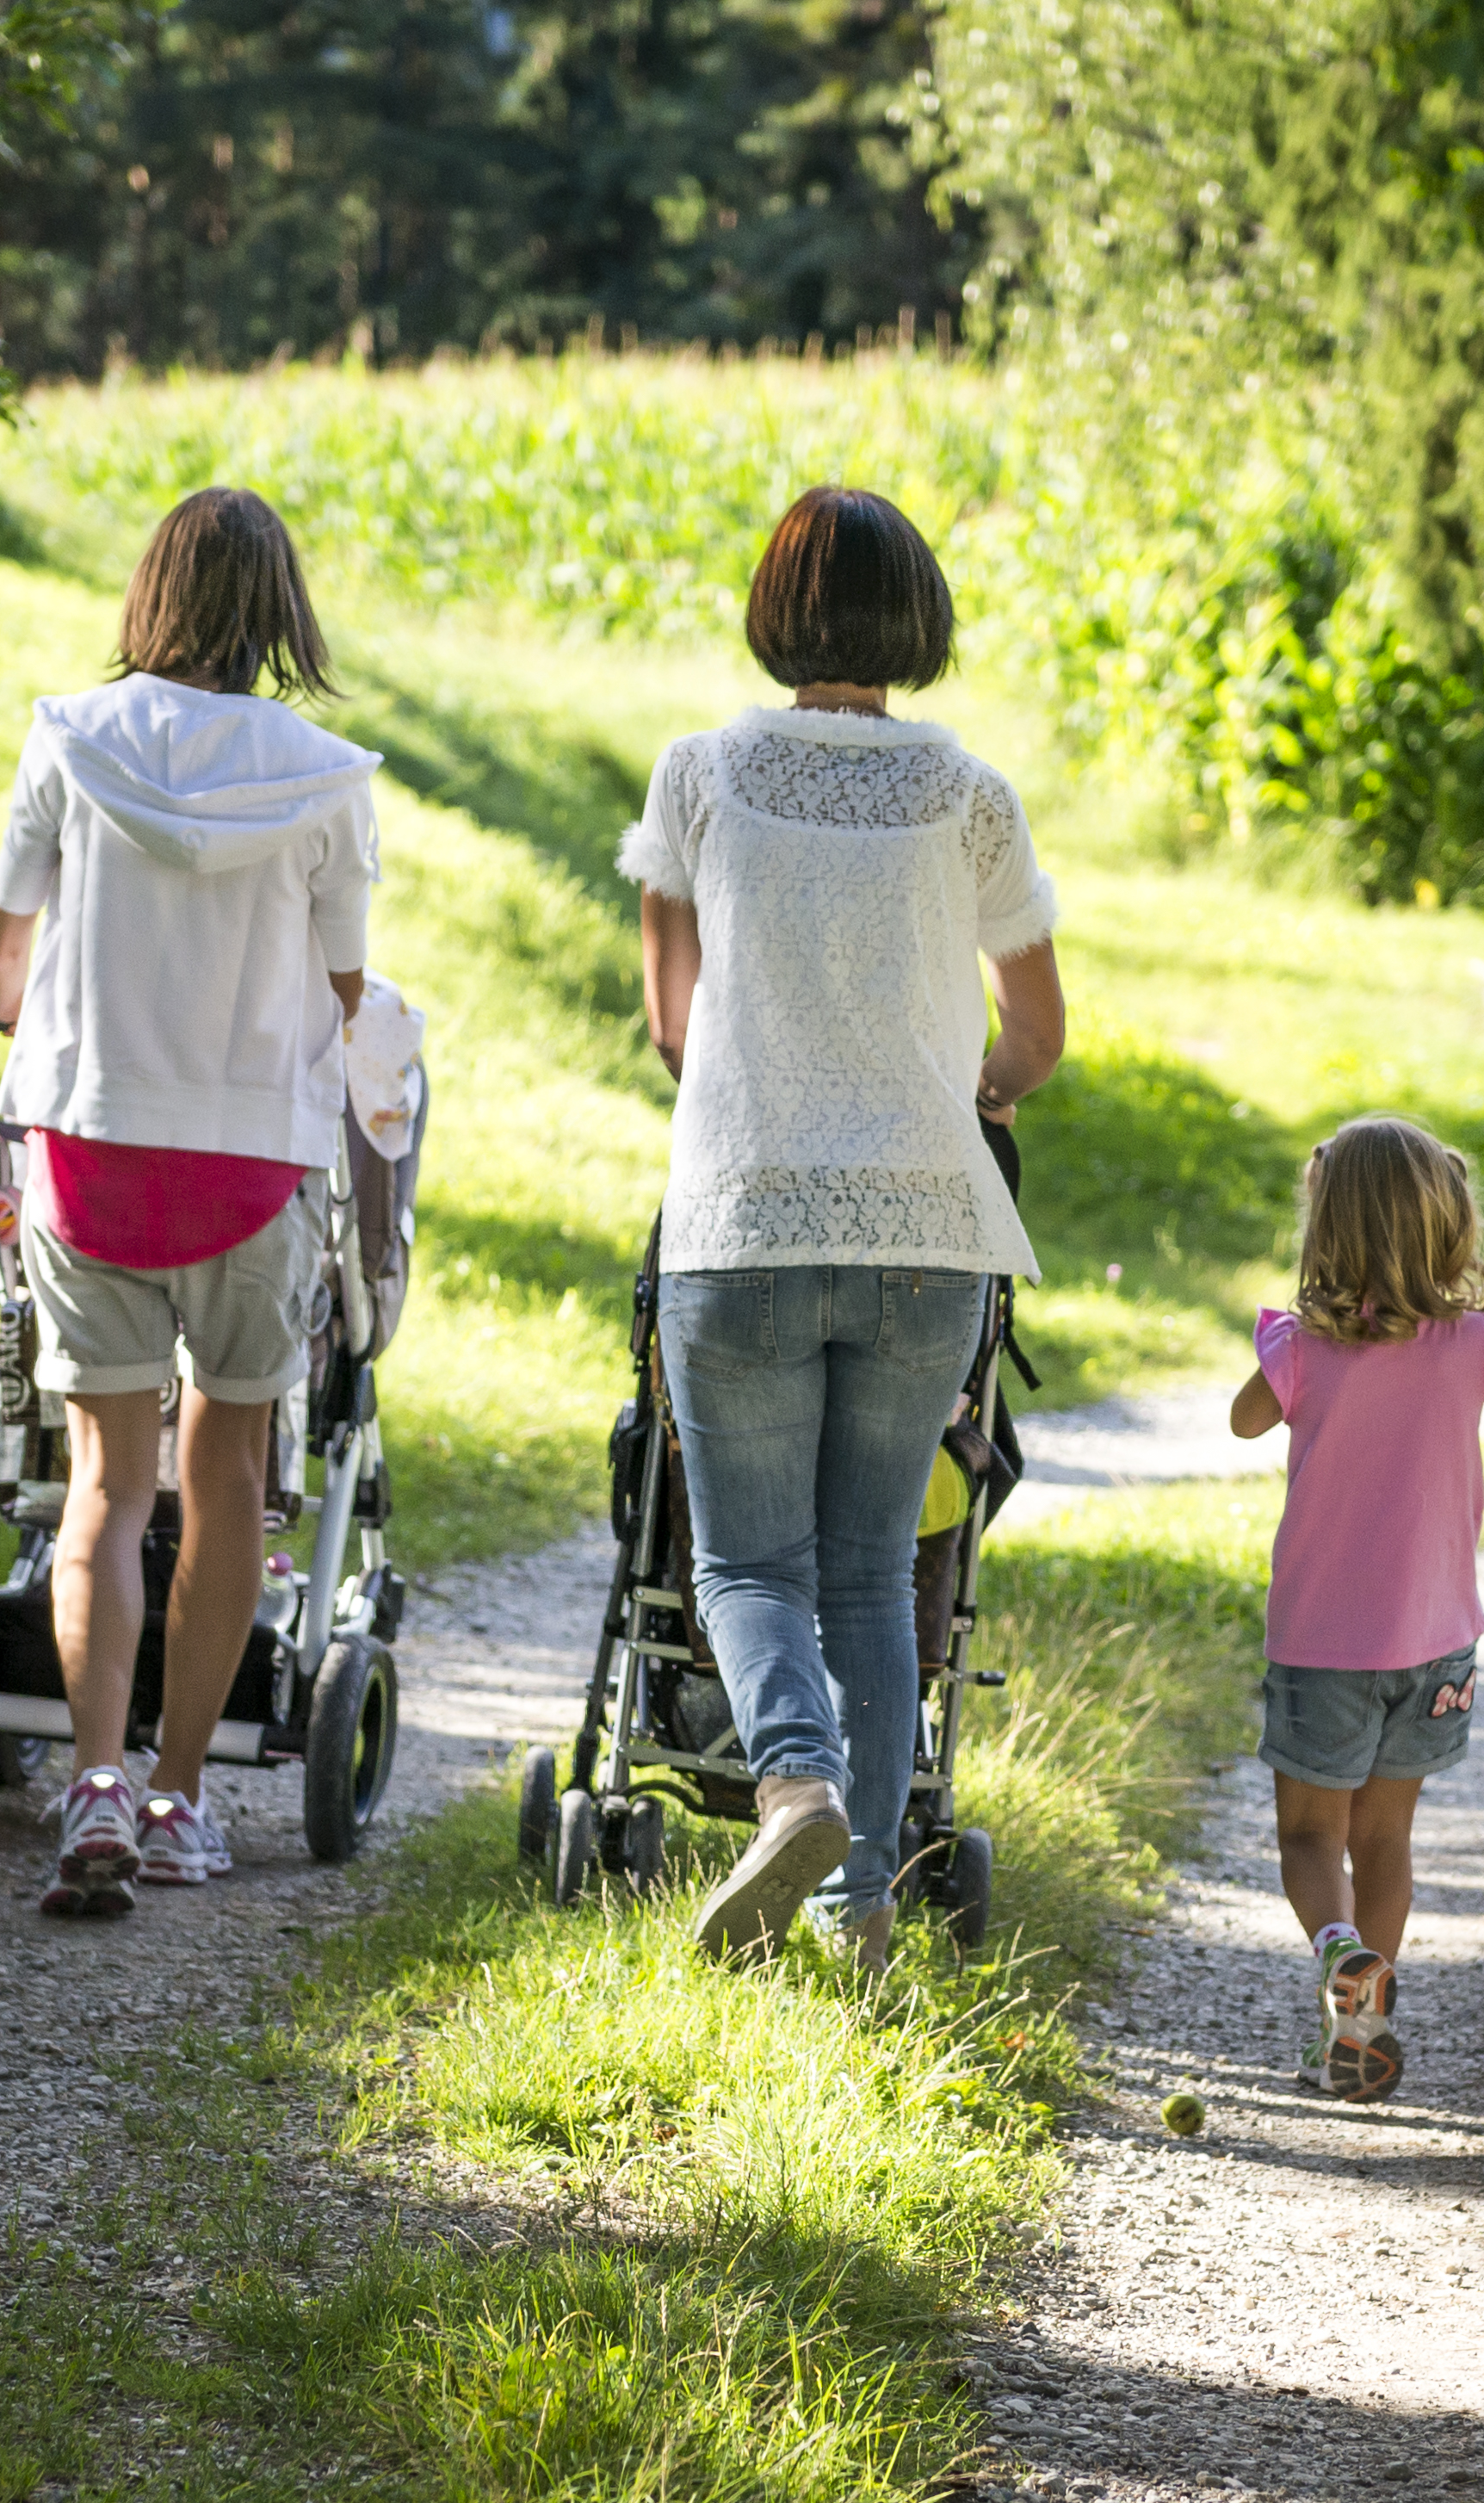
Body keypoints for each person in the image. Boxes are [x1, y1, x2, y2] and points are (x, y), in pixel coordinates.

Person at [621, 486, 1066, 1973]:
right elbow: (1037, 1034)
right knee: (875, 1569)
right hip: (928, 1232)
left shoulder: (698, 774)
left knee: (748, 1565)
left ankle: (794, 1781)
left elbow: (672, 1026)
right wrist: (969, 1091)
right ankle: (860, 1907)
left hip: (741, 1216)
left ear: (774, 615)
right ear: (916, 619)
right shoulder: (970, 795)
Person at [0, 487, 381, 1916]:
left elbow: (1, 956)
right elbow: (347, 987)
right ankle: (177, 1797)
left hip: (88, 1150)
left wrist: (41, 1017)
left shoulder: (67, 738)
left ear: (151, 592)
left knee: (102, 1483)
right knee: (227, 1485)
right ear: (277, 612)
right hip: (248, 1163)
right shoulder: (326, 777)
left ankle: (90, 1780)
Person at [1226, 1118, 1484, 2097]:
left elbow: (1244, 1419)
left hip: (1321, 1644)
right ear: (1448, 1224)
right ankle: (1360, 2028)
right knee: (1384, 1840)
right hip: (1435, 1644)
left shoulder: (1301, 1348)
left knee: (1310, 1837)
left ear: (1325, 1230)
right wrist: (1476, 1343)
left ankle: (1339, 1953)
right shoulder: (1477, 1344)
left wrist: (1297, 1347)